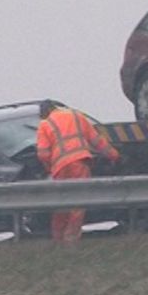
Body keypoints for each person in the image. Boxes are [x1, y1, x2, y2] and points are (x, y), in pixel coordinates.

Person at [36, 100, 120, 243]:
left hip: (60, 168)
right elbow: (97, 141)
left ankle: (58, 239)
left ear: (45, 112)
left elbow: (43, 154)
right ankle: (71, 239)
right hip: (80, 163)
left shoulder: (45, 124)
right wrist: (114, 156)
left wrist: (49, 168)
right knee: (78, 202)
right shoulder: (76, 116)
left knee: (61, 203)